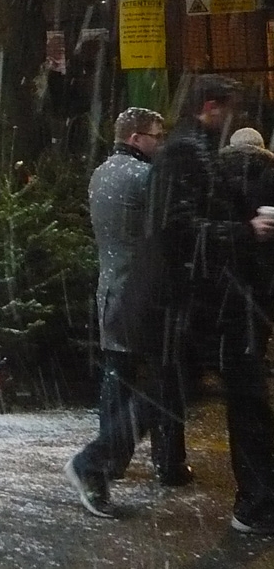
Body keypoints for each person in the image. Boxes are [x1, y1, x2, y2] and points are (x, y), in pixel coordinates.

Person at [151, 75, 274, 534]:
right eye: (229, 108)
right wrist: (248, 231)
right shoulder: (186, 151)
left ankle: (258, 499)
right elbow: (179, 230)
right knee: (235, 397)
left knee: (229, 395)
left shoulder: (203, 151)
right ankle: (99, 460)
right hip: (212, 299)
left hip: (220, 299)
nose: (233, 118)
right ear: (209, 106)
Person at [65, 107, 183, 517]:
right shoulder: (141, 177)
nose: (160, 142)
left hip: (112, 291)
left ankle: (108, 460)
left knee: (118, 377)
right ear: (136, 138)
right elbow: (170, 227)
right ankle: (131, 462)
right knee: (159, 383)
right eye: (156, 135)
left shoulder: (102, 173)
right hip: (140, 296)